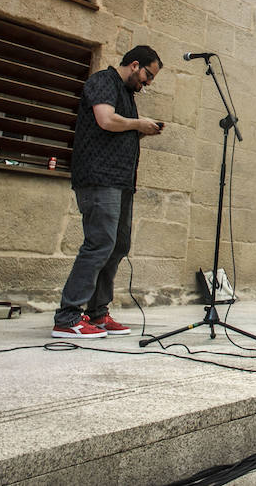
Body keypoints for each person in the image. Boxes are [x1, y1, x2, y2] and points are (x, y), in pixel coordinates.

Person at [52, 45, 163, 338]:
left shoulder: (126, 93)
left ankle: (97, 313)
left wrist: (140, 130)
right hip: (99, 178)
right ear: (135, 64)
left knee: (118, 246)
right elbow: (105, 119)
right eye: (147, 75)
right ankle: (67, 316)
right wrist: (138, 123)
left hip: (121, 181)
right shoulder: (102, 80)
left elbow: (115, 128)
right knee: (99, 243)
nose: (148, 83)